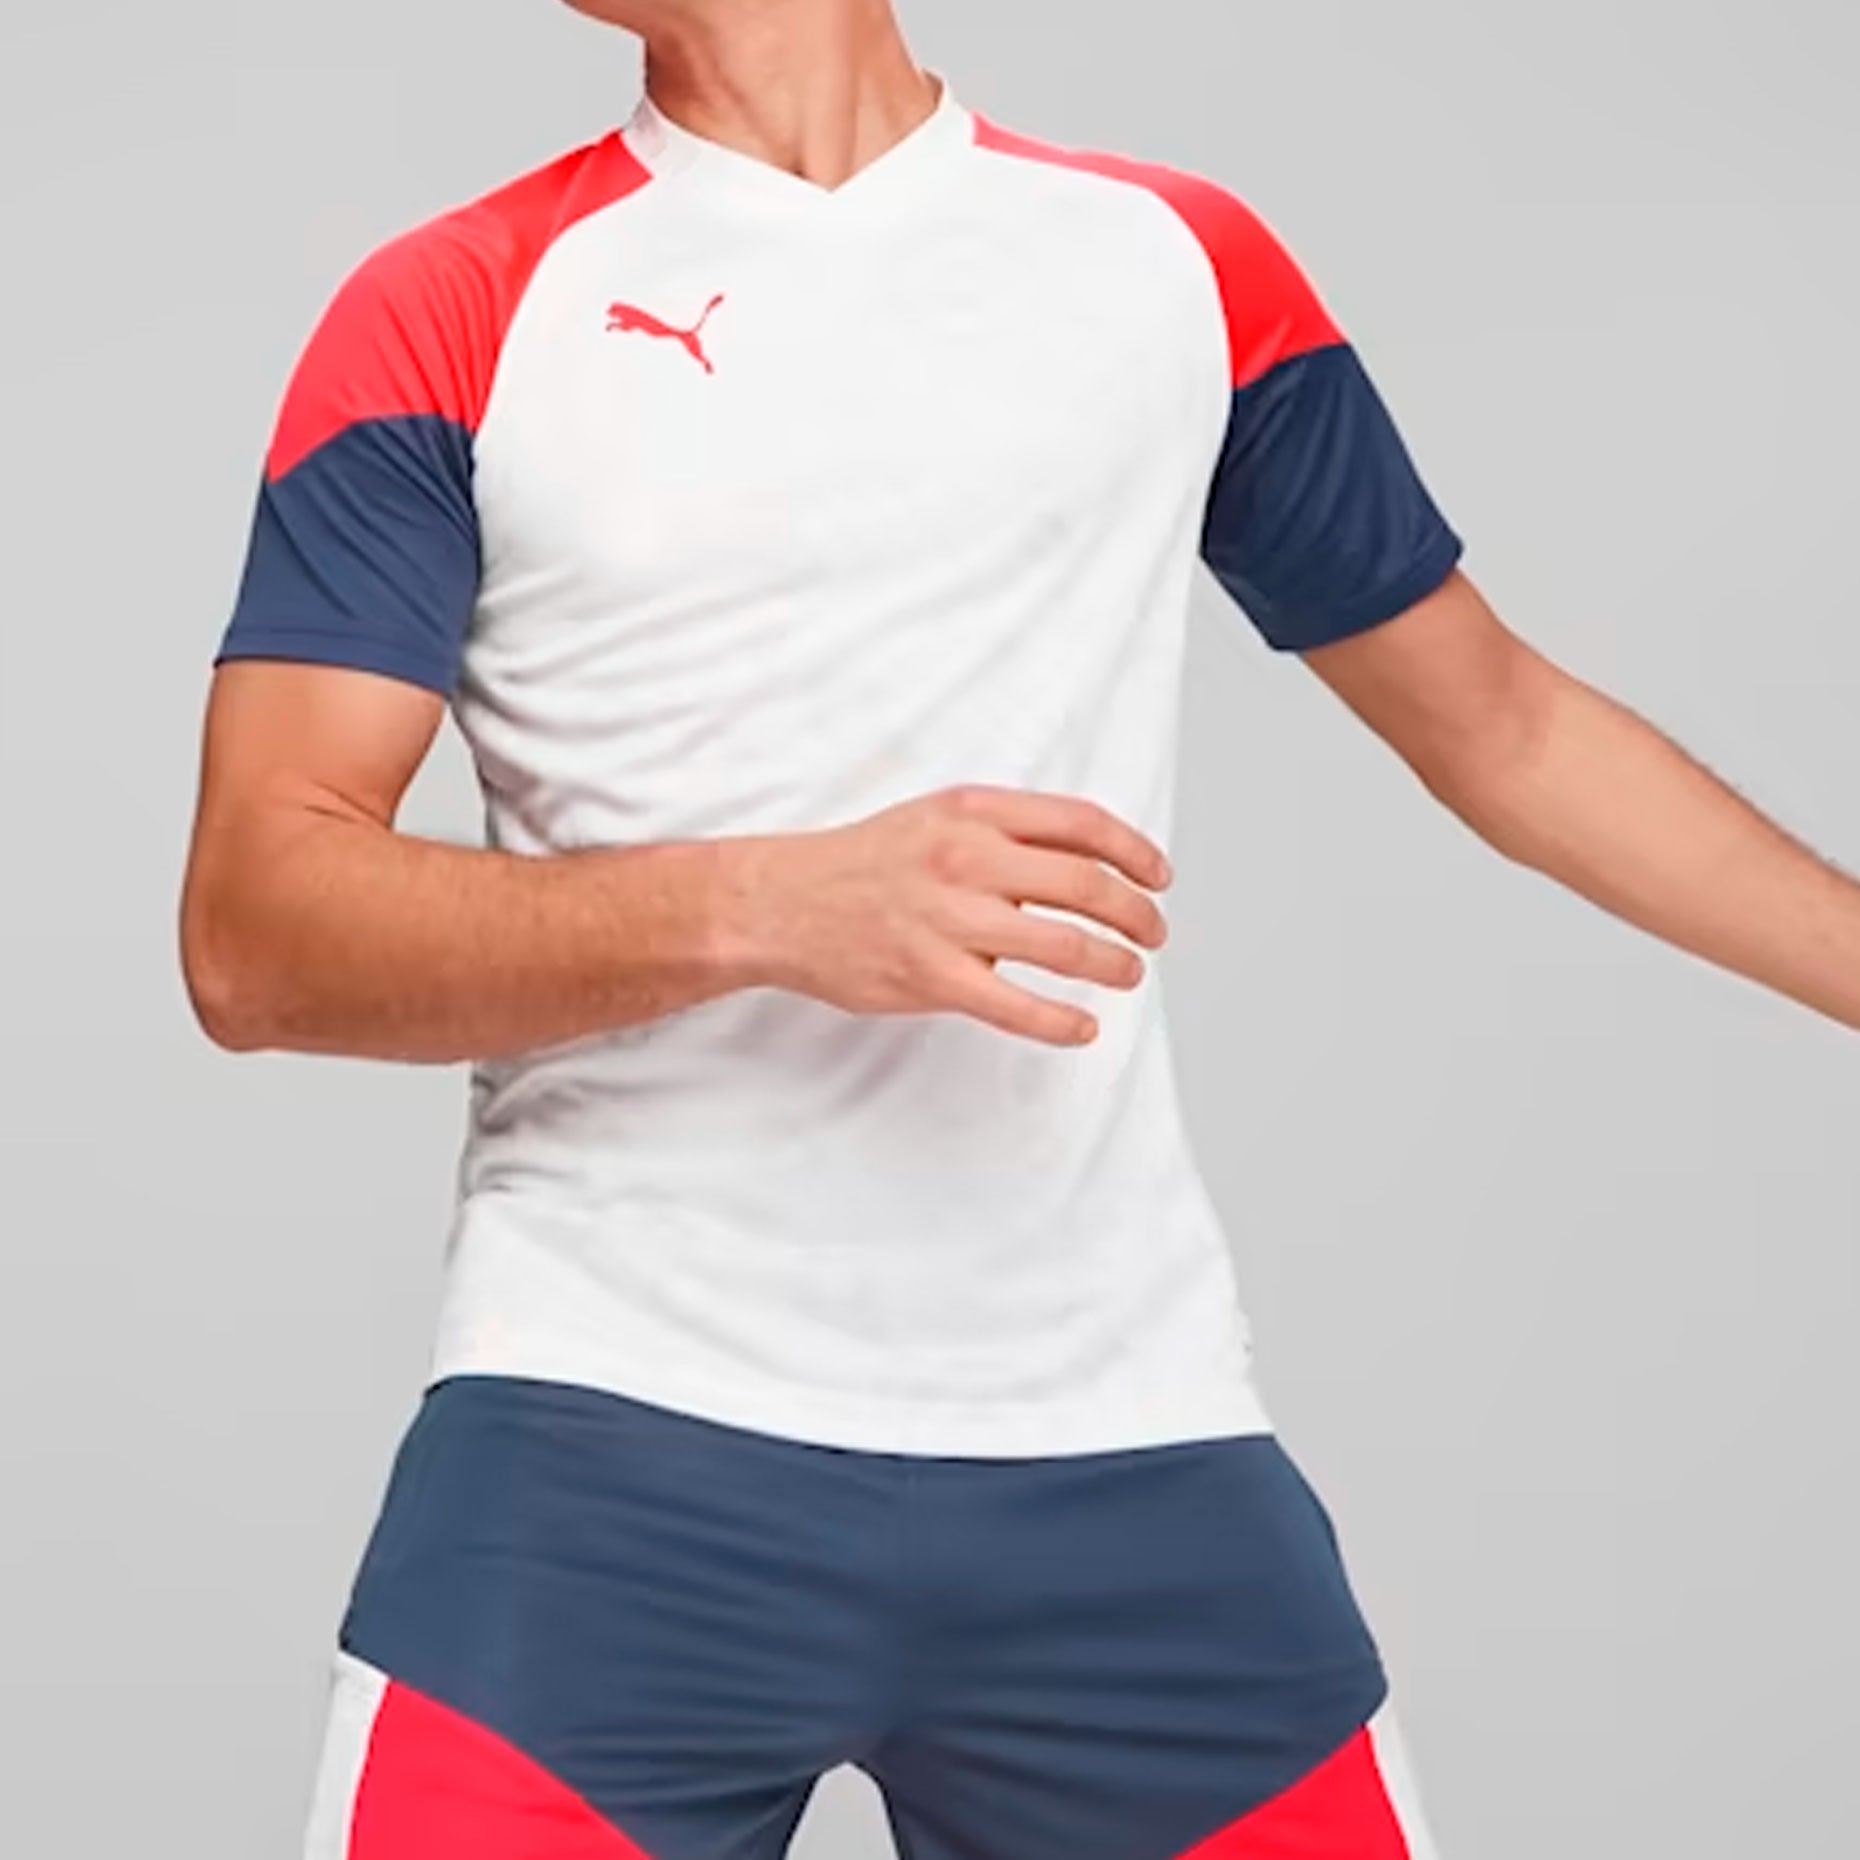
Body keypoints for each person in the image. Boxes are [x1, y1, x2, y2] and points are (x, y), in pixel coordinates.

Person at [178, 3, 1859, 1857]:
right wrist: (764, 904)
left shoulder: (1173, 265)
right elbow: (257, 932)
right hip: (607, 1454)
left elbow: (1506, 725)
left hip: (1127, 1461)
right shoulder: (452, 306)